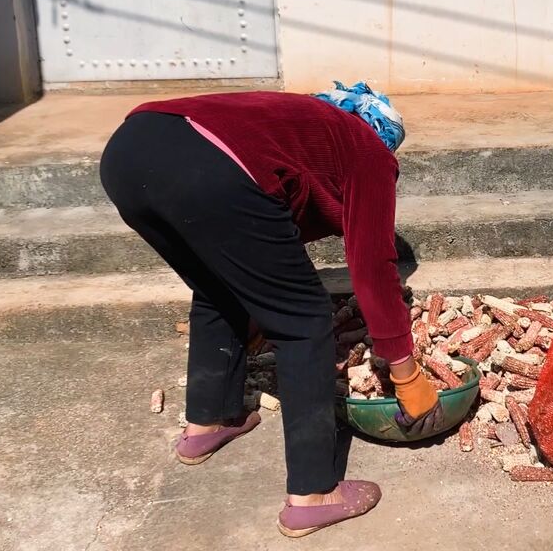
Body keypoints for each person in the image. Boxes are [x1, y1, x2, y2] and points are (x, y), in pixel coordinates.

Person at [99, 82, 442, 538]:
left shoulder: (294, 123)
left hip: (128, 152)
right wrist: (404, 371)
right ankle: (314, 495)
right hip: (208, 166)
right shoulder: (368, 151)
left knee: (214, 284)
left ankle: (208, 423)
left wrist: (259, 303)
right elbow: (374, 266)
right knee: (304, 322)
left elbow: (251, 244)